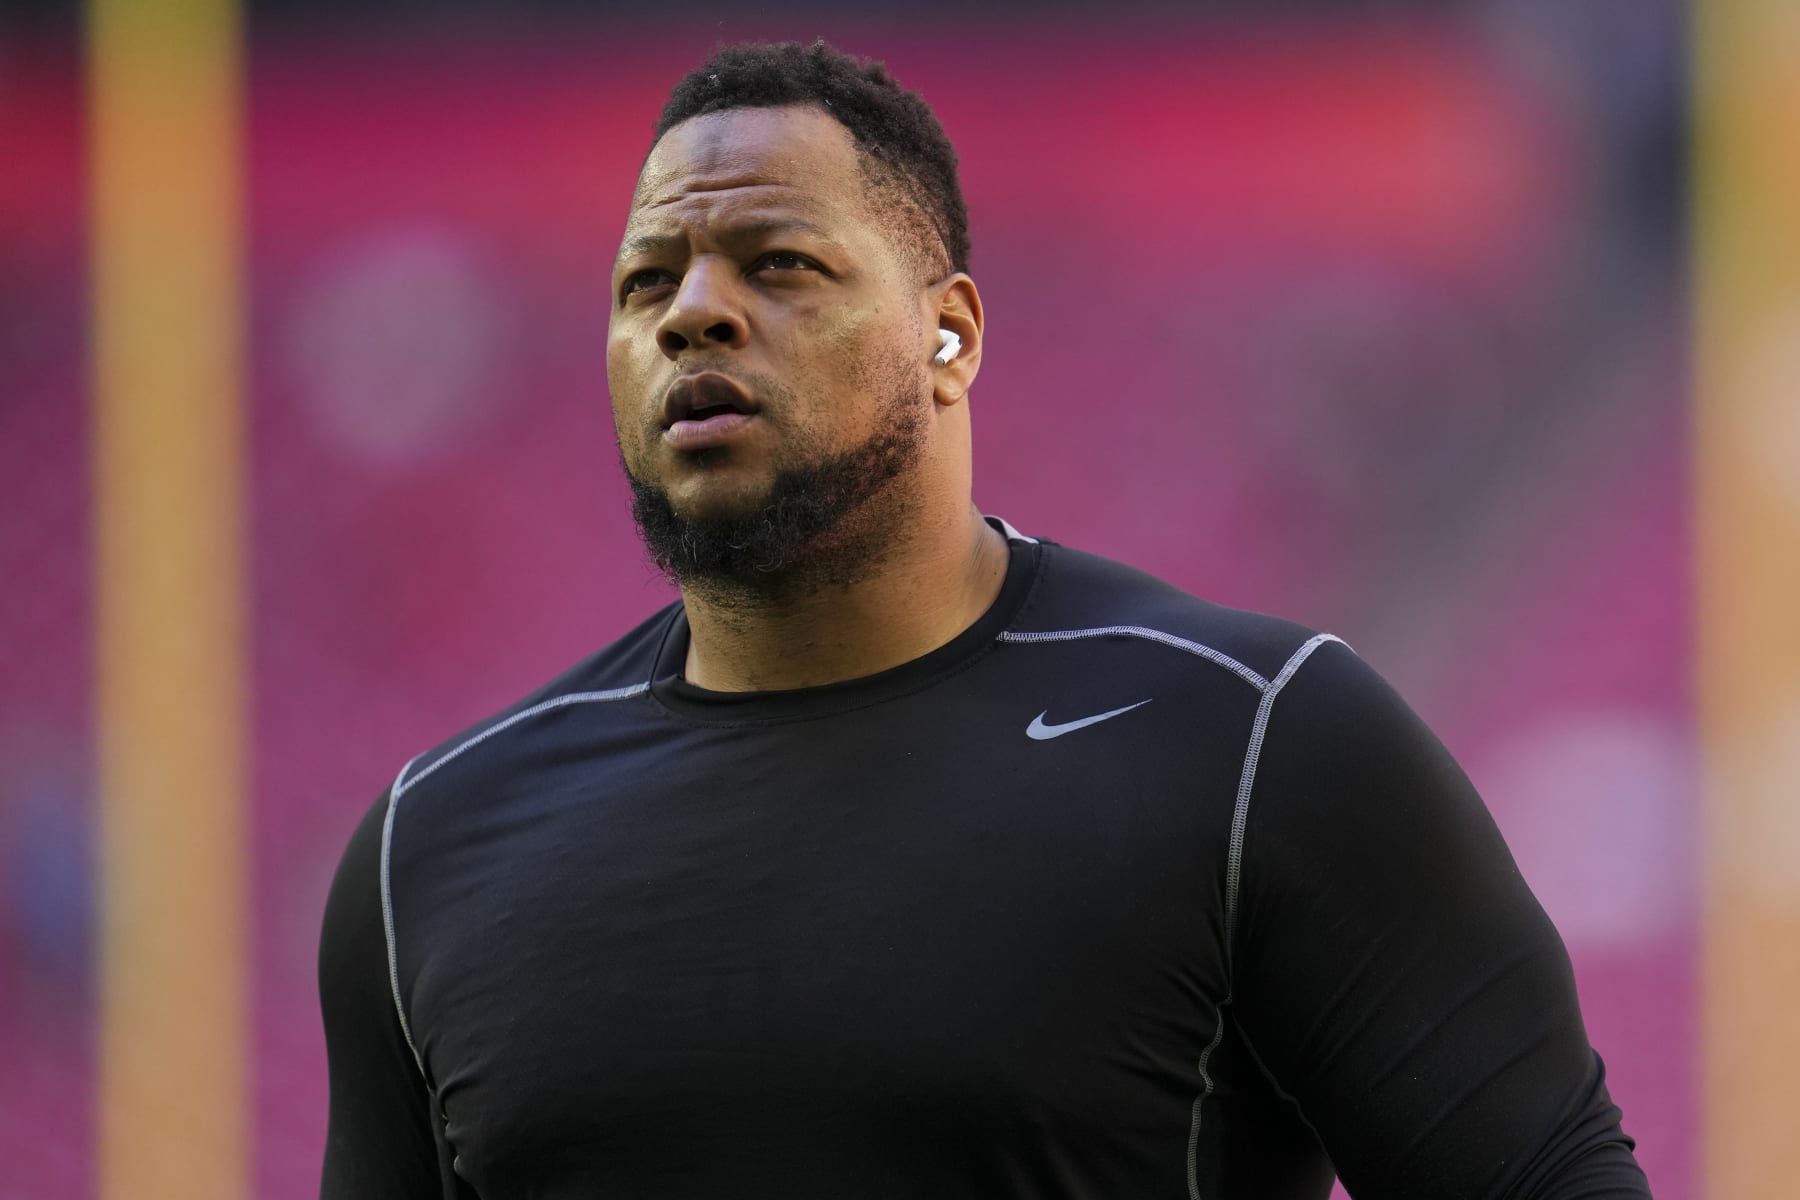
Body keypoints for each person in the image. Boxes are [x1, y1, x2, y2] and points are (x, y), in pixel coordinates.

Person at [318, 40, 1652, 1200]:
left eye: (776, 264)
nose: (694, 314)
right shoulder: (434, 848)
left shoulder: (1255, 747)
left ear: (948, 335)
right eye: (644, 282)